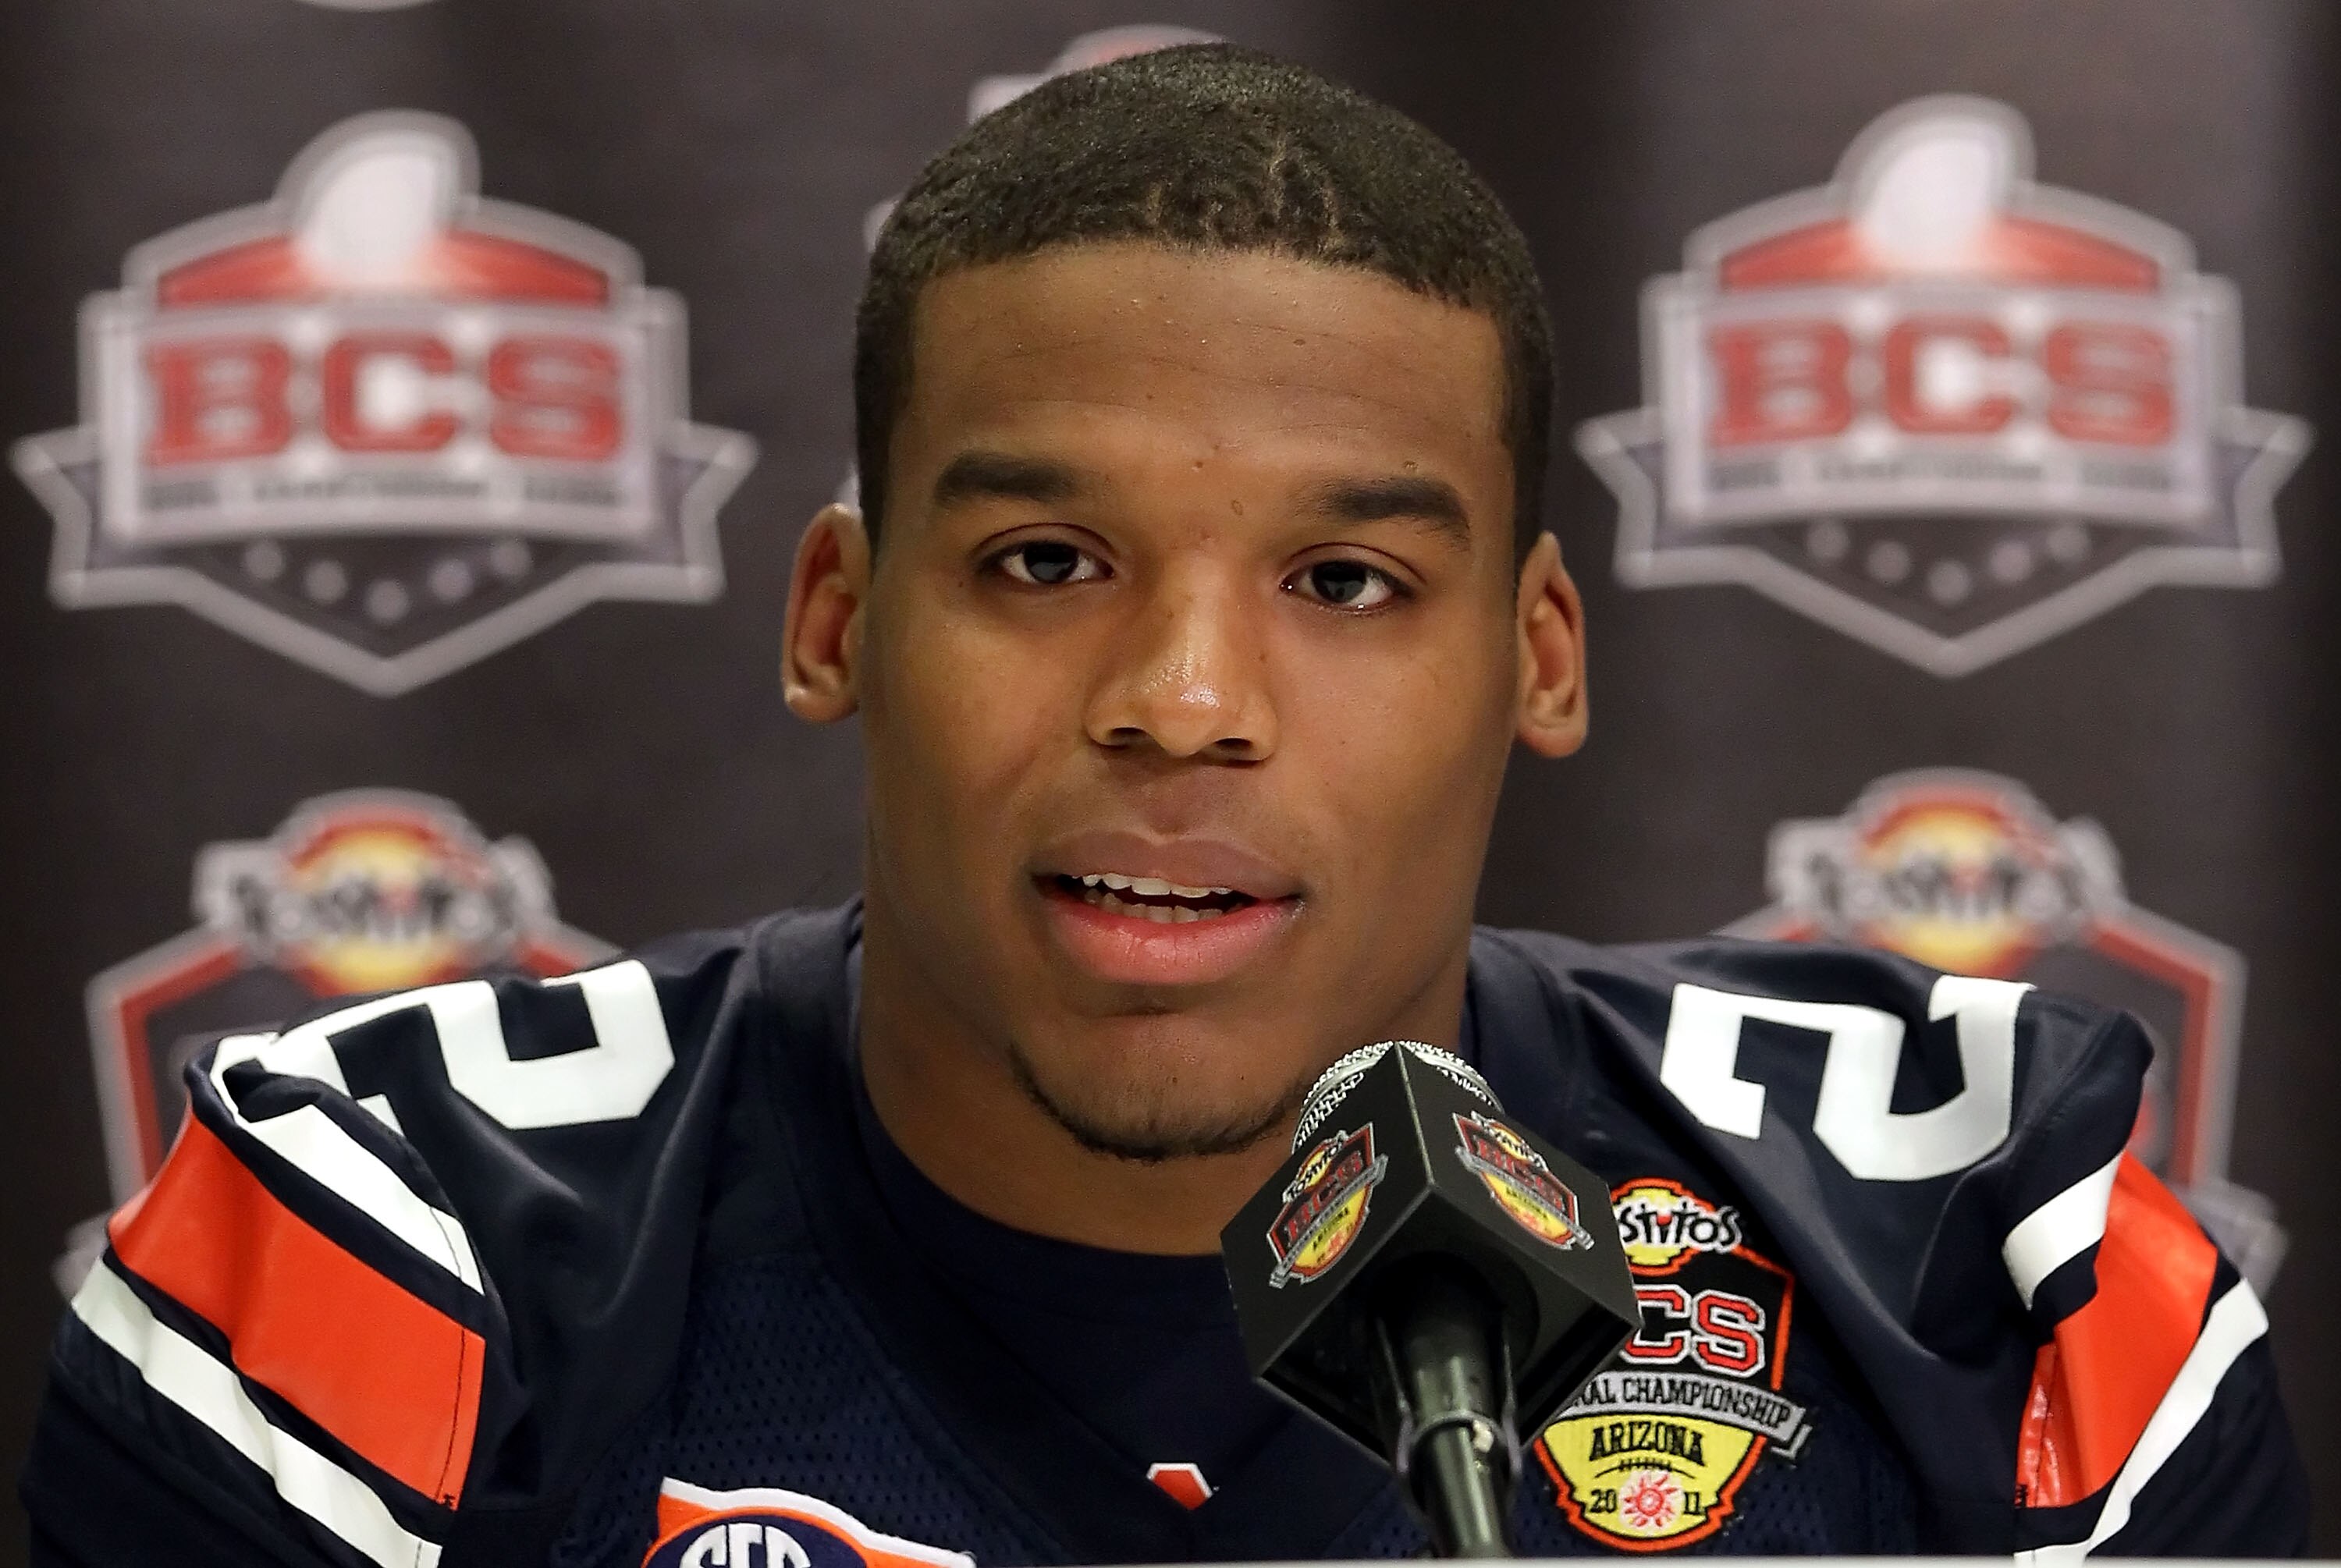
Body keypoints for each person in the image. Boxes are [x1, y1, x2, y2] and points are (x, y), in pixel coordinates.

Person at [21, 44, 2306, 1568]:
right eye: (1047, 562)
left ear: (1539, 654)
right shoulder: (397, 1235)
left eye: (1344, 581)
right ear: (837, 617)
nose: (1184, 703)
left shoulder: (1975, 1252)